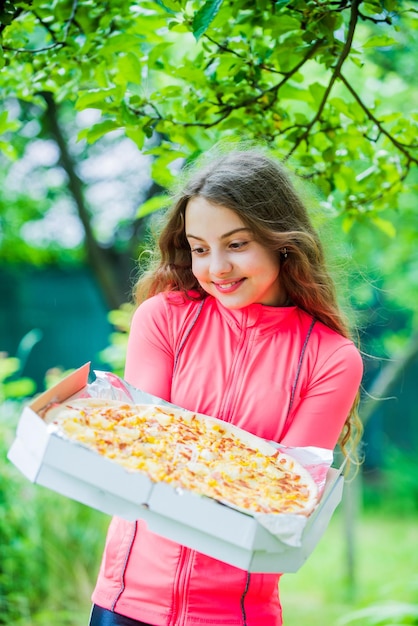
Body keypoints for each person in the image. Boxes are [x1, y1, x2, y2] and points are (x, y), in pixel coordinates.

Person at [89, 147, 363, 626]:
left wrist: (181, 453)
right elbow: (139, 457)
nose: (216, 267)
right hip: (126, 600)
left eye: (236, 244)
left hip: (236, 613)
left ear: (281, 239)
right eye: (199, 248)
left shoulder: (331, 359)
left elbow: (277, 501)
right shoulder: (164, 319)